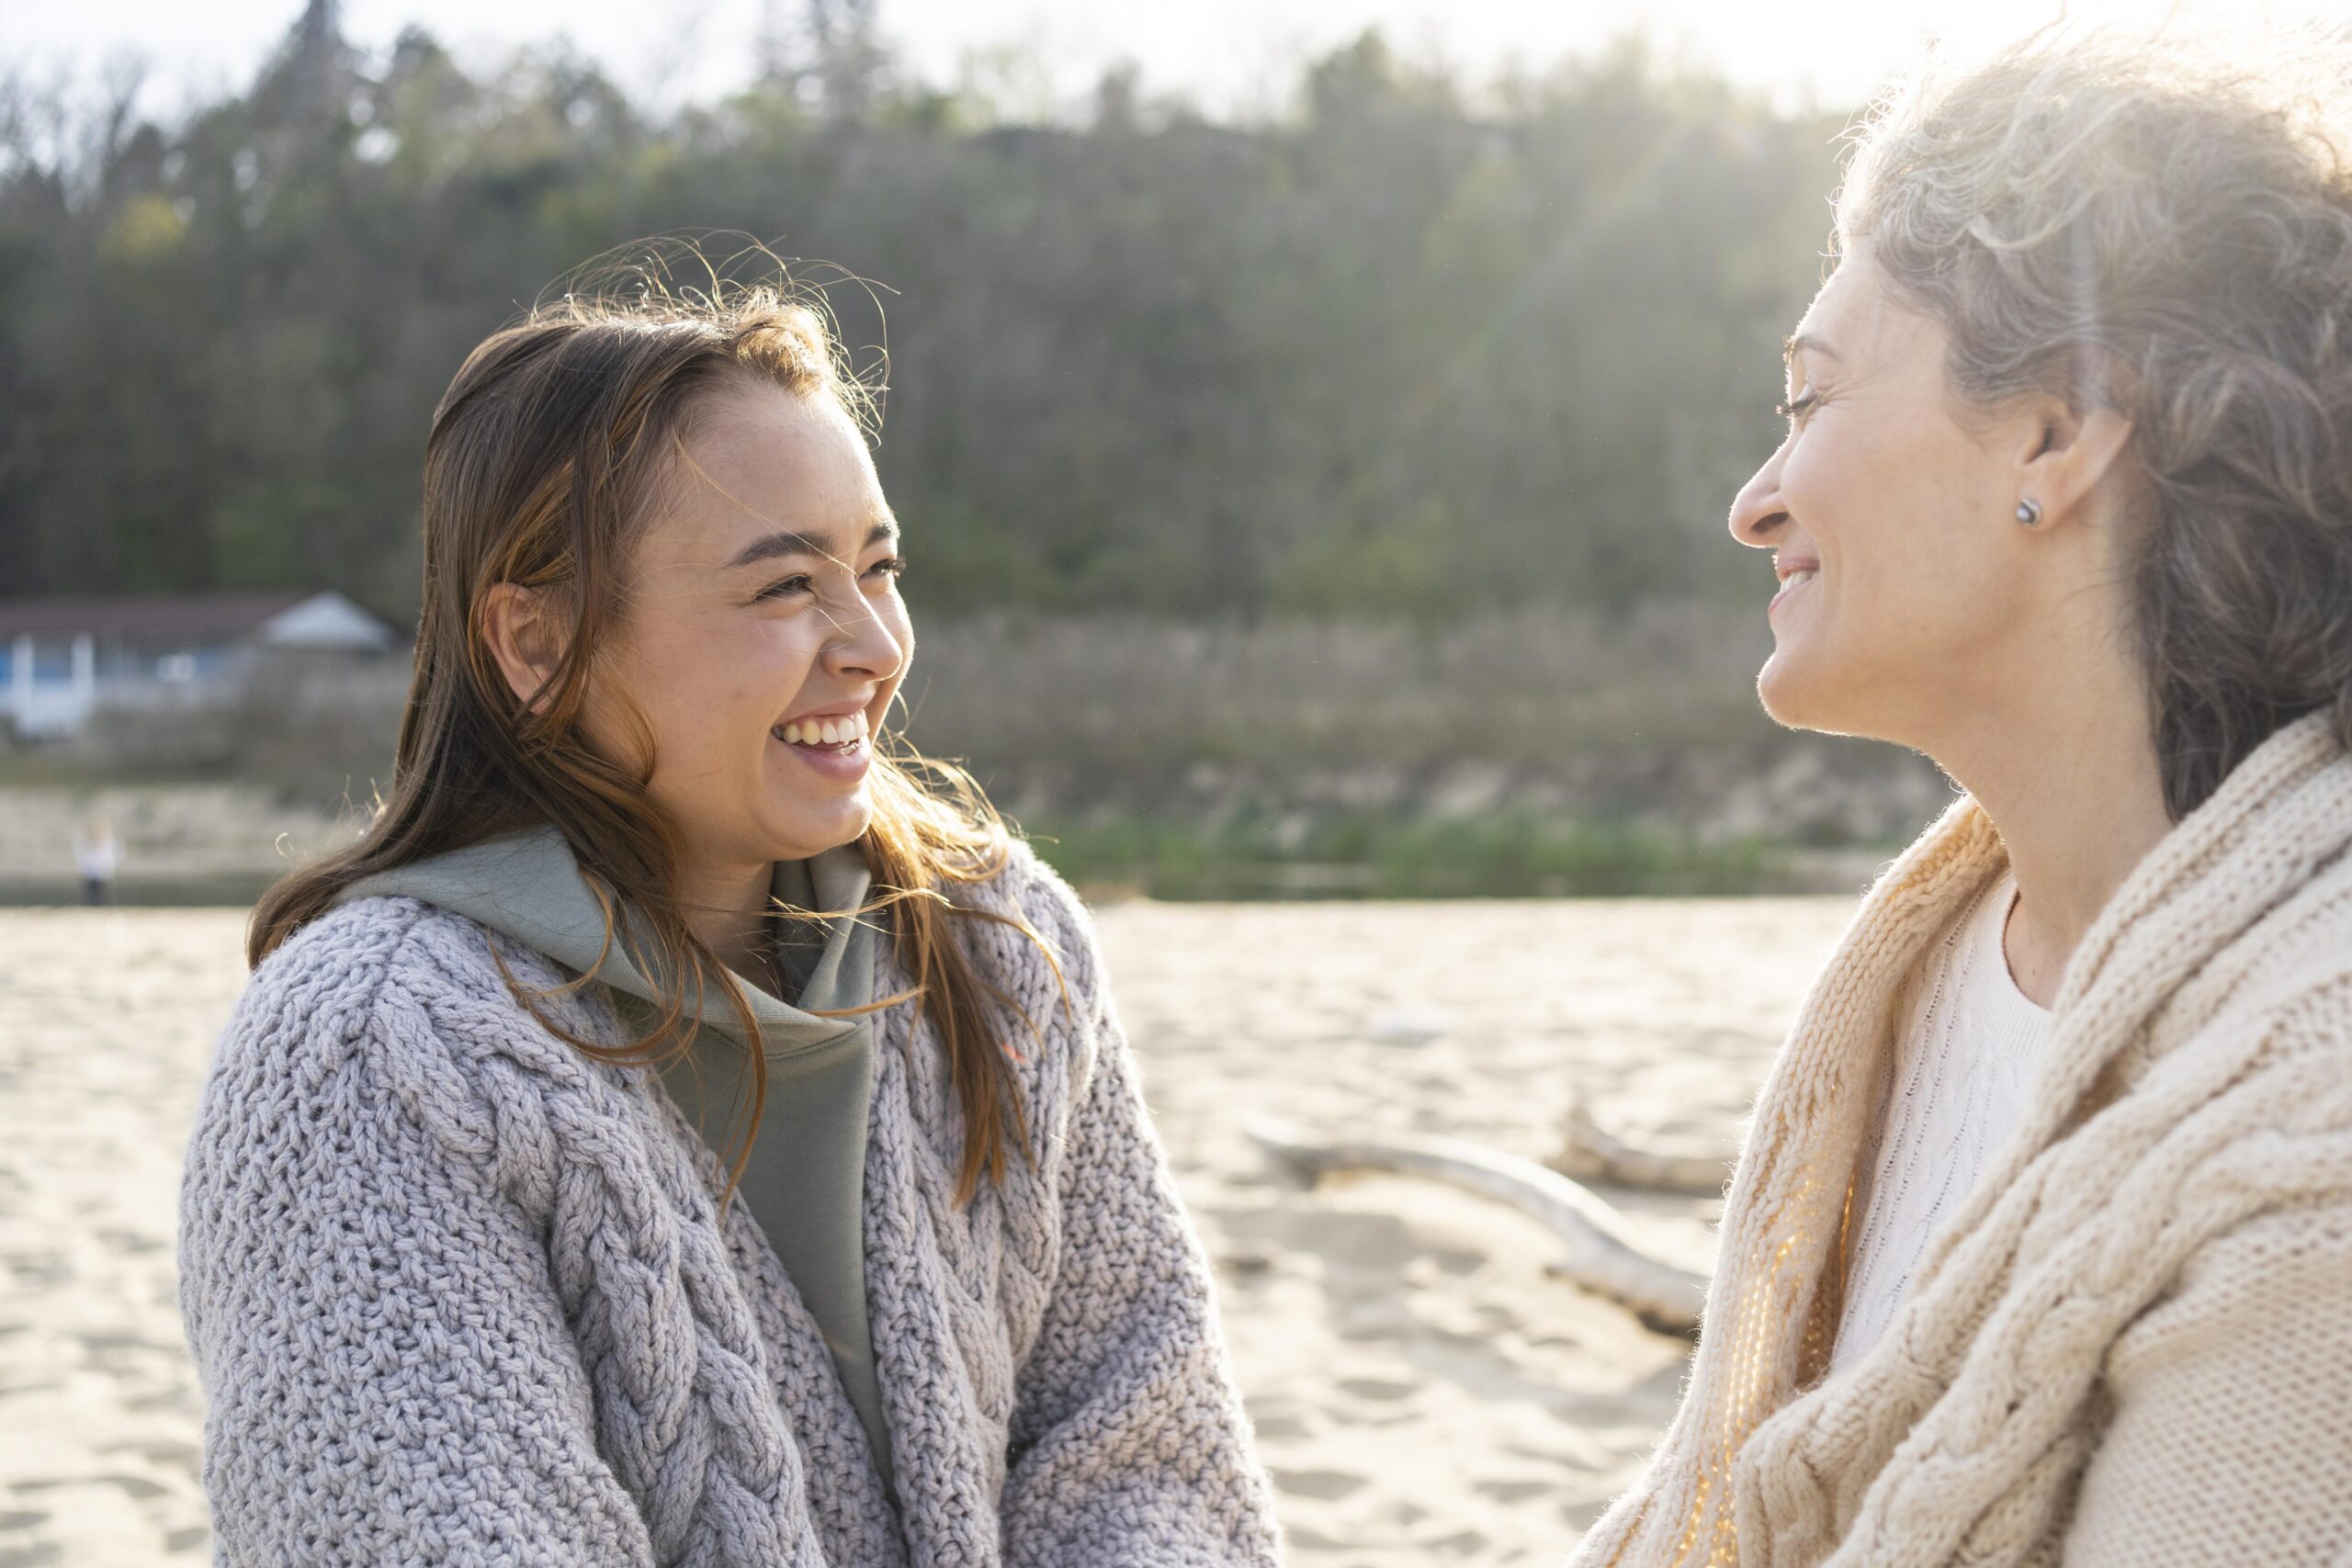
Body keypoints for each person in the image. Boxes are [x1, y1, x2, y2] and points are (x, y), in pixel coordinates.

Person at [177, 261, 1282, 1565]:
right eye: (785, 588)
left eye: (880, 568)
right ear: (533, 647)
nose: (875, 645)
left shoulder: (997, 947)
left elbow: (1149, 1462)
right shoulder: (370, 1054)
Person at [1573, 27, 2352, 1567]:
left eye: (1811, 398)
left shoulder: (2308, 1149)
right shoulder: (1930, 964)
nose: (1754, 500)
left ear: (2056, 434)